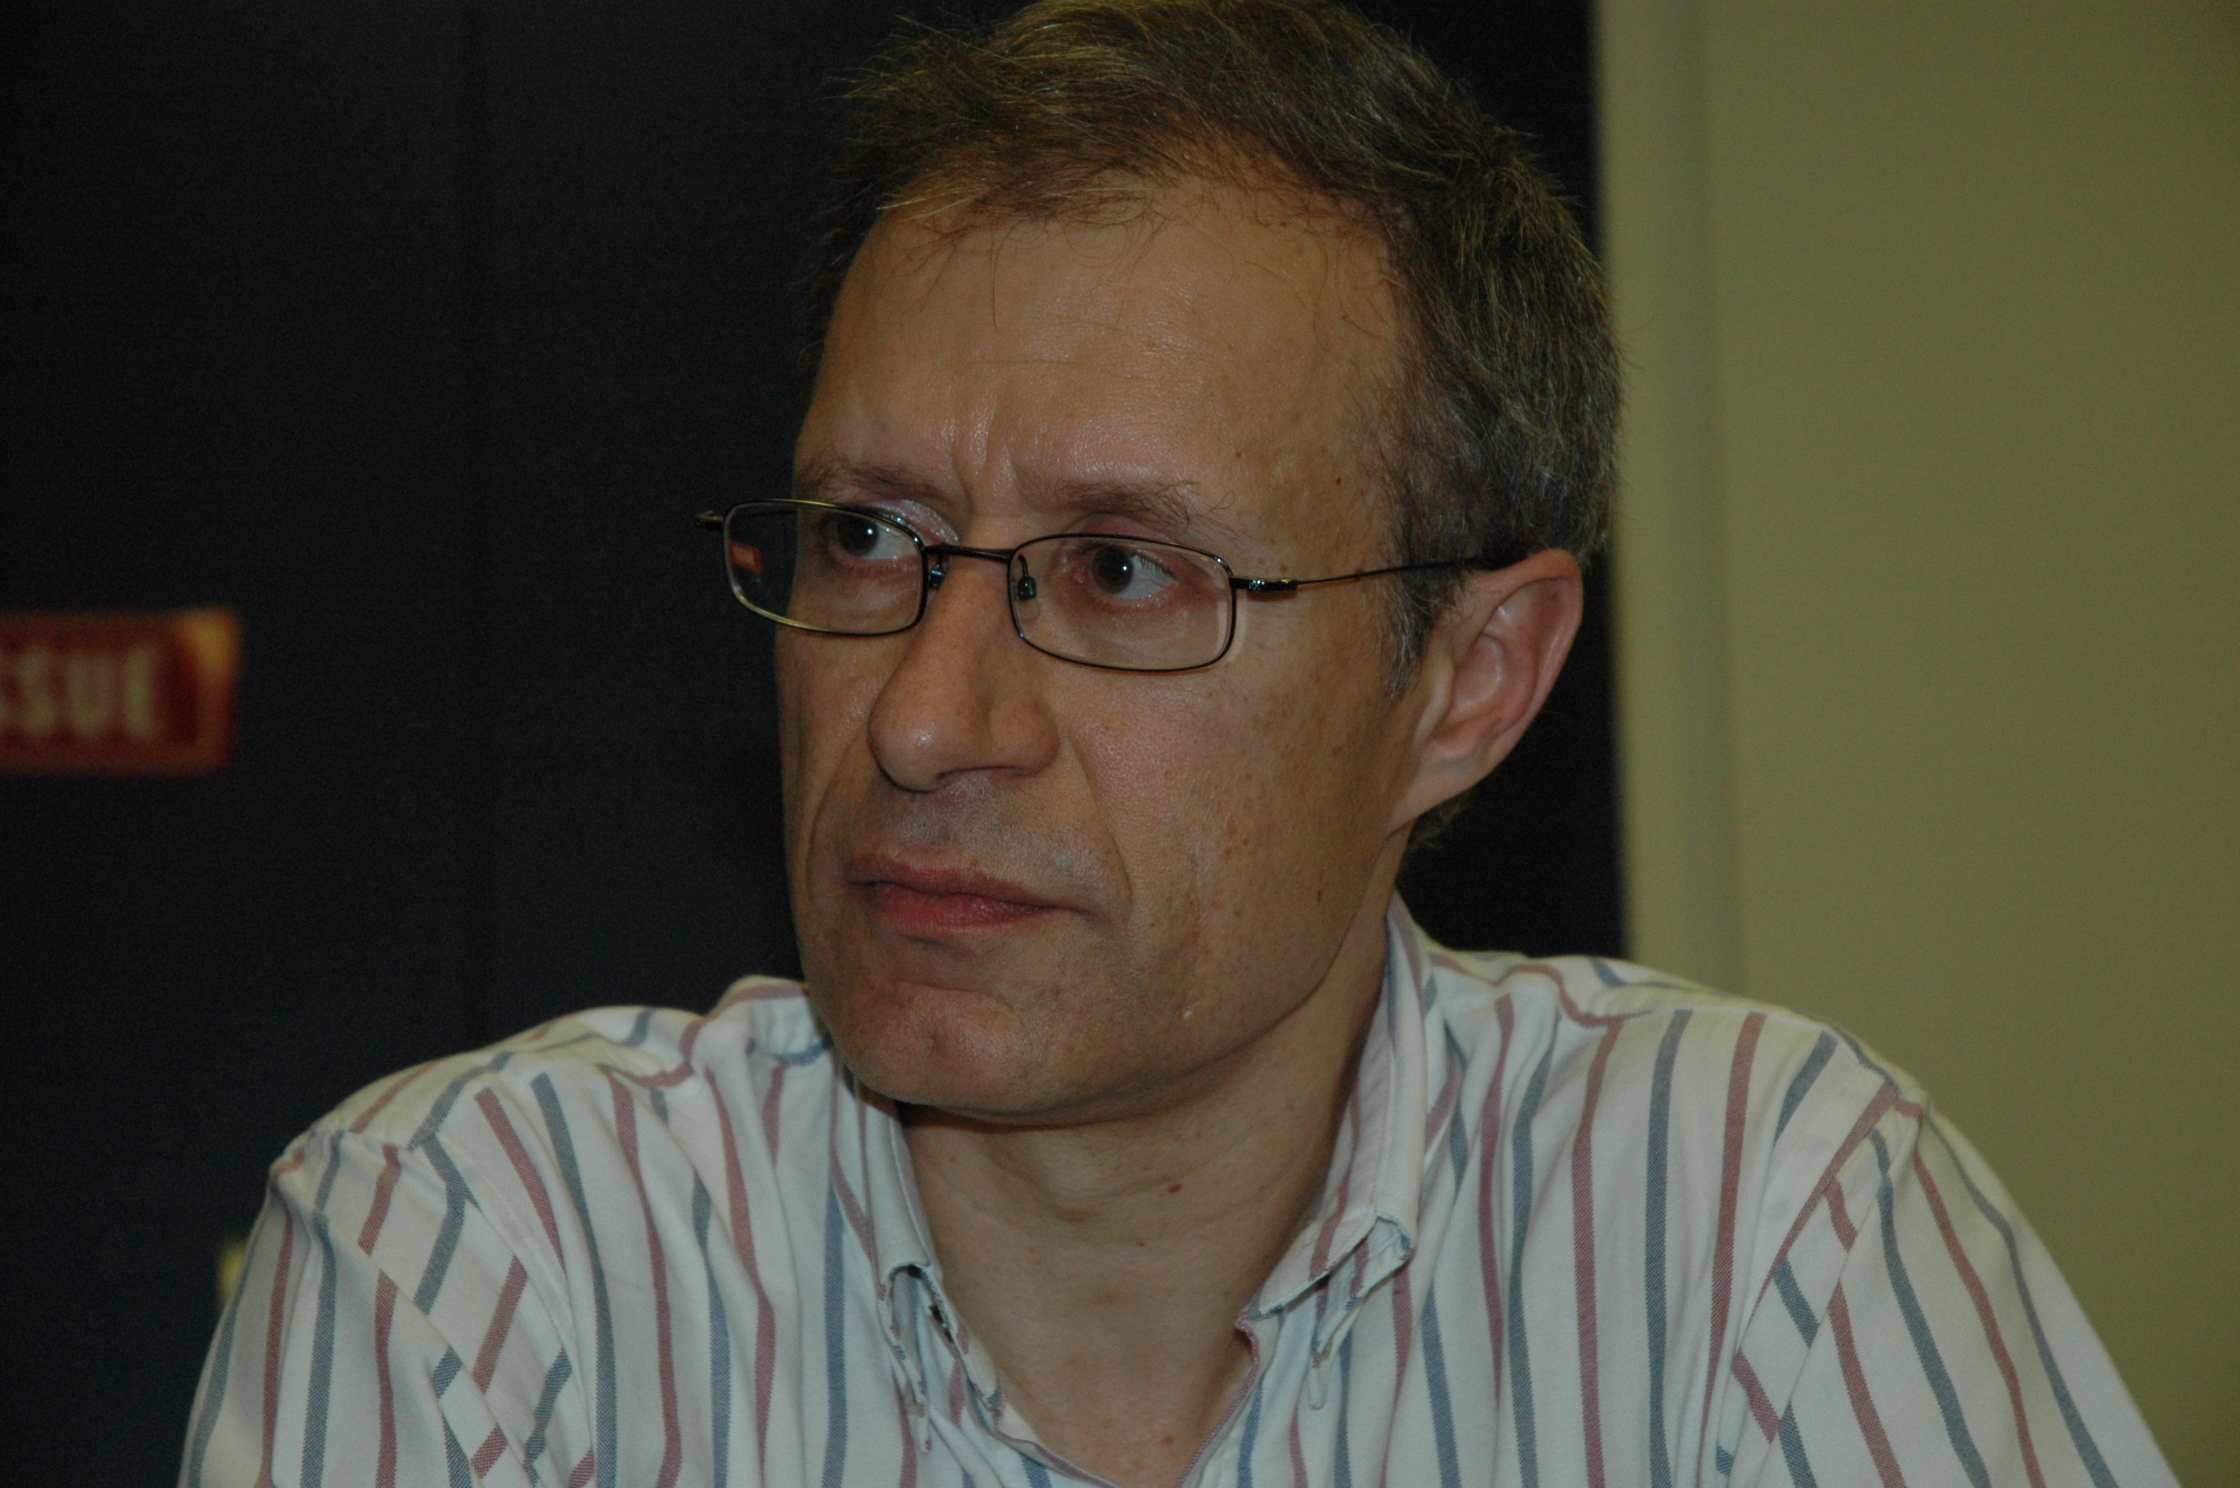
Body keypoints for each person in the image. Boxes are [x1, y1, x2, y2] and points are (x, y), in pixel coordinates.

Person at [181, 2, 2175, 1485]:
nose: (922, 720)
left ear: (1470, 683)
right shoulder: (480, 1267)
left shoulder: (1758, 1236)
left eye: (1124, 571)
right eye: (870, 538)